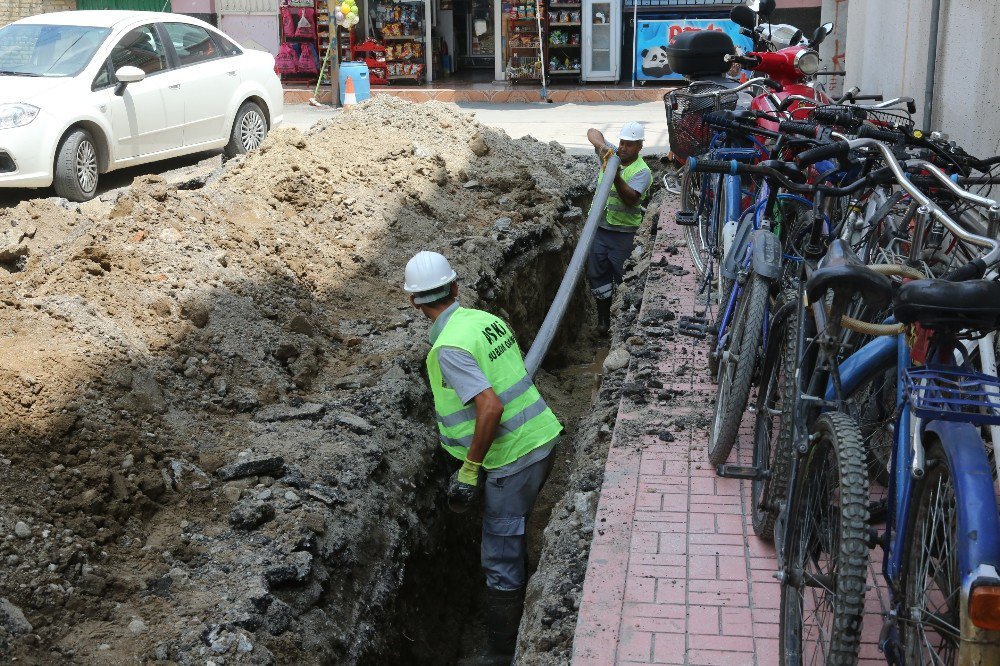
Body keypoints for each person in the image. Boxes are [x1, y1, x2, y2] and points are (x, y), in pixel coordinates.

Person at [403, 250, 563, 662]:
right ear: (456, 288)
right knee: (512, 531)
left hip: (512, 459)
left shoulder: (449, 348)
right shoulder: (484, 321)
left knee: (499, 554)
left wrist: (470, 470)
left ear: (413, 301)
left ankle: (502, 654)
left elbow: (489, 407)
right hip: (540, 438)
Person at [585, 121, 653, 334]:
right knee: (597, 275)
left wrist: (615, 176)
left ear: (640, 146)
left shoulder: (642, 171)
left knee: (624, 277)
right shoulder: (612, 155)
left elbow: (631, 198)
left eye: (629, 145)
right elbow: (592, 132)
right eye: (621, 143)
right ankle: (603, 322)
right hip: (599, 229)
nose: (623, 148)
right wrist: (602, 147)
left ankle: (623, 327)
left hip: (624, 235)